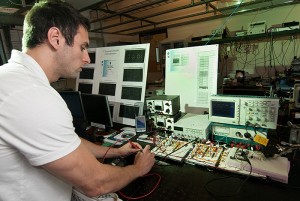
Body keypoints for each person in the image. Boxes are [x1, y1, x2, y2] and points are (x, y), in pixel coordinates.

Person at [0, 1, 155, 201]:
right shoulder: (31, 94)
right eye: (82, 47)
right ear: (56, 38)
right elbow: (96, 182)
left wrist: (115, 152)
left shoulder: (13, 79)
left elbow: (67, 144)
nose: (87, 58)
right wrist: (138, 169)